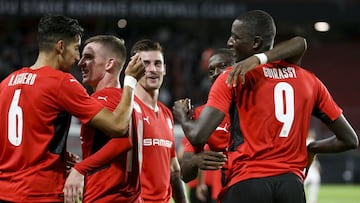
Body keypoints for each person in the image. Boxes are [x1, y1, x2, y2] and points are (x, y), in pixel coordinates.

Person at [173, 10, 359, 203]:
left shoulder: (233, 78)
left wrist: (182, 116)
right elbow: (350, 139)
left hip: (246, 181)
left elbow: (197, 136)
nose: (229, 42)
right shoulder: (309, 80)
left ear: (255, 43)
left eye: (235, 38)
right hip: (291, 186)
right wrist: (311, 148)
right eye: (211, 70)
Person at [0, 15, 144, 203]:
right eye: (76, 48)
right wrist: (131, 81)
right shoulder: (61, 82)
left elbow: (19, 135)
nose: (77, 58)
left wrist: (54, 154)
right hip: (40, 193)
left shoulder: (7, 83)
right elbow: (118, 126)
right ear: (60, 47)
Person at [63, 35, 143, 202]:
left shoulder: (103, 99)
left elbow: (122, 142)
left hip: (105, 197)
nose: (80, 62)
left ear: (109, 64)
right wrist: (88, 161)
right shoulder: (129, 103)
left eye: (89, 57)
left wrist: (80, 168)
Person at [130, 39, 188, 203]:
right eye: (146, 64)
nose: (152, 70)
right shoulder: (127, 110)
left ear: (164, 69)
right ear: (134, 67)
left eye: (157, 64)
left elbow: (174, 170)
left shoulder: (166, 114)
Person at [179, 48, 234, 203]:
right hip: (222, 193)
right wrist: (195, 161)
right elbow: (185, 173)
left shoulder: (255, 106)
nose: (216, 73)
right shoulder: (200, 115)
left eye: (223, 66)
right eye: (211, 71)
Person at [304, 129, 321, 203]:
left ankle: (312, 200)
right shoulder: (310, 141)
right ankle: (311, 200)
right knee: (311, 181)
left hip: (310, 166)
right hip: (307, 166)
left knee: (314, 180)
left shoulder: (305, 141)